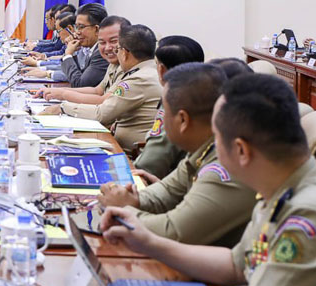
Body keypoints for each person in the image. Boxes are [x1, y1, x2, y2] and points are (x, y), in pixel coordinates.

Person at [100, 73, 316, 286]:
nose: (211, 148)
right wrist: (149, 242)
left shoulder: (310, 219)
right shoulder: (287, 184)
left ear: (241, 150)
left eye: (216, 138)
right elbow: (237, 265)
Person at [98, 63, 256, 247]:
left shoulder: (226, 164)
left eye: (164, 111)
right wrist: (131, 199)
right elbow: (167, 192)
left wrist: (122, 208)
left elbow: (173, 231)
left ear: (182, 120)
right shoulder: (203, 149)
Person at [43, 24, 162, 151]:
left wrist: (63, 107)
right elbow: (98, 91)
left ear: (125, 53)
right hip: (117, 143)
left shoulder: (138, 79)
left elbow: (101, 113)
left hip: (129, 153)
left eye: (117, 48)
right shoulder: (143, 71)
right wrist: (61, 93)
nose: (113, 51)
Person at [133, 35, 207, 180]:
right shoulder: (205, 96)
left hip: (170, 182)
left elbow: (149, 164)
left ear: (161, 70)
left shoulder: (175, 103)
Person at [36, 15, 130, 103]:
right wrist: (57, 91)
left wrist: (63, 100)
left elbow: (103, 103)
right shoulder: (113, 64)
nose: (107, 47)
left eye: (81, 27)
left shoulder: (130, 71)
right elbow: (97, 91)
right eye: (102, 42)